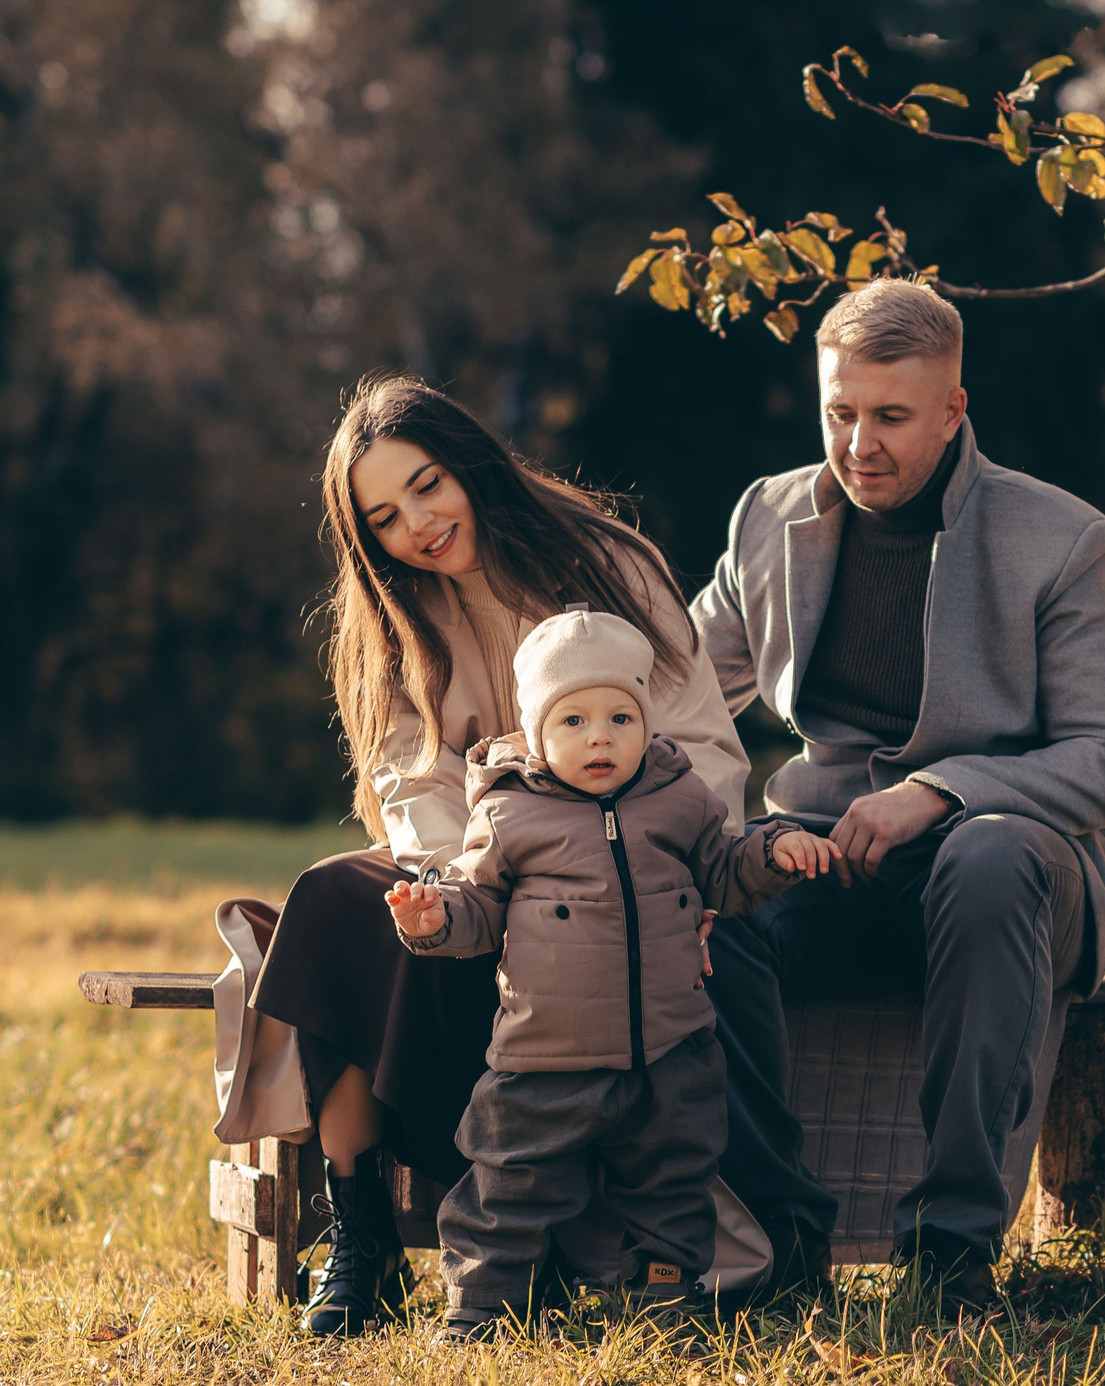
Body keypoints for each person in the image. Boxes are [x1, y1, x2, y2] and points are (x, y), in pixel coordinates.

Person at [690, 278, 1105, 1310]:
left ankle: (949, 1252)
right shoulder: (768, 514)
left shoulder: (1063, 539)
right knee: (706, 906)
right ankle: (780, 1240)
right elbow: (676, 690)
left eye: (891, 417)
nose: (859, 445)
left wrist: (940, 792)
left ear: (953, 410)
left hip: (1013, 879)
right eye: (839, 412)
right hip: (829, 857)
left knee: (987, 854)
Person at [256, 373, 753, 1337]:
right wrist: (471, 882)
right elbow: (411, 778)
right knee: (332, 900)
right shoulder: (398, 620)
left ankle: (537, 1239)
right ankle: (361, 1232)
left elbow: (698, 740)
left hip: (617, 871)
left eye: (428, 485)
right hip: (480, 873)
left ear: (471, 463)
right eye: (385, 518)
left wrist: (676, 877)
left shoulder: (608, 564)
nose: (419, 525)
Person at [385, 609, 836, 1339]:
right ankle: (484, 1304)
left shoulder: (679, 797)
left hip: (670, 1050)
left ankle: (664, 1300)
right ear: (537, 733)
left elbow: (723, 871)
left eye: (621, 717)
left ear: (647, 723)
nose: (600, 737)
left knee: (674, 1180)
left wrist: (771, 851)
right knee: (511, 1181)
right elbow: (480, 905)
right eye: (573, 720)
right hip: (544, 1056)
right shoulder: (509, 812)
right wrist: (433, 917)